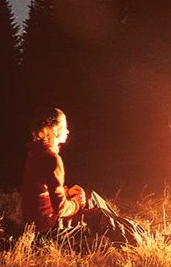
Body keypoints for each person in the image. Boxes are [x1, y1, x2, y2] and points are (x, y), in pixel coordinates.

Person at [21, 106, 148, 247]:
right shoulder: (51, 158)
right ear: (54, 129)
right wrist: (77, 202)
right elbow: (61, 209)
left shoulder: (36, 152)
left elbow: (41, 193)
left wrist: (68, 192)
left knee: (91, 196)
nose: (68, 131)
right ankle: (142, 242)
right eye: (65, 126)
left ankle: (145, 234)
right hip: (49, 229)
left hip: (42, 223)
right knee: (101, 216)